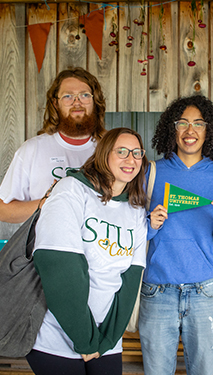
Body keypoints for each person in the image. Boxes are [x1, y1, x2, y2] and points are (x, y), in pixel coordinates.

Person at [26, 128, 148, 375]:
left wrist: (107, 339)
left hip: (106, 338)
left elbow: (131, 279)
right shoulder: (71, 190)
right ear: (104, 154)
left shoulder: (135, 209)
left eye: (137, 153)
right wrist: (84, 339)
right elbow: (60, 267)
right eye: (121, 151)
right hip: (57, 335)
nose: (131, 159)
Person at [138, 95, 213, 375]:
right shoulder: (150, 173)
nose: (189, 130)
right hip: (157, 290)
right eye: (182, 123)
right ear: (173, 129)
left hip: (206, 291)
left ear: (209, 131)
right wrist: (151, 224)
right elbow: (130, 234)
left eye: (198, 123)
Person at [0, 67, 106, 224]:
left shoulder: (112, 150)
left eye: (85, 95)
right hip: (46, 246)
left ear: (95, 101)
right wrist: (47, 203)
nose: (77, 102)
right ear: (56, 103)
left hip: (97, 247)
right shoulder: (32, 150)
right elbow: (3, 211)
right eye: (68, 96)